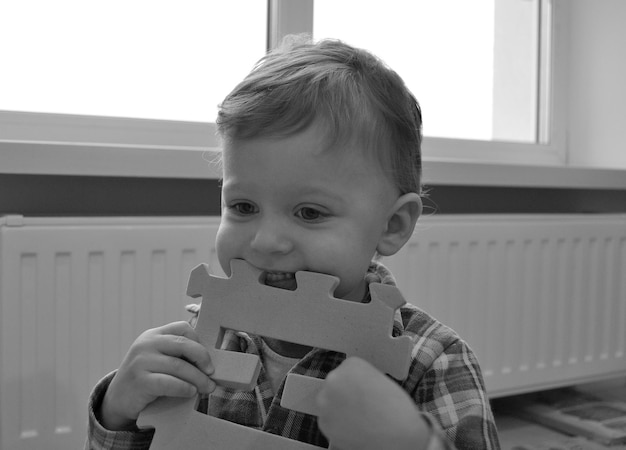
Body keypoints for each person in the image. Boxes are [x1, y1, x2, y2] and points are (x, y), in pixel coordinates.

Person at [86, 35, 500, 450]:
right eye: (244, 206)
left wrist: (410, 442)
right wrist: (117, 411)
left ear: (391, 225)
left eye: (310, 213)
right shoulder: (201, 343)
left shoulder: (430, 360)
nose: (266, 242)